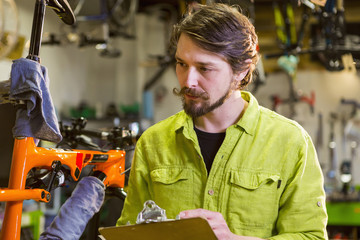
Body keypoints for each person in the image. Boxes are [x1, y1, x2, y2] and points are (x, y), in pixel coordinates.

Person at [117, 3, 328, 240]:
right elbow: (130, 232)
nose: (189, 81)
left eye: (205, 68)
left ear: (241, 70)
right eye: (181, 64)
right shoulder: (153, 142)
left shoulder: (290, 142)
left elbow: (311, 237)